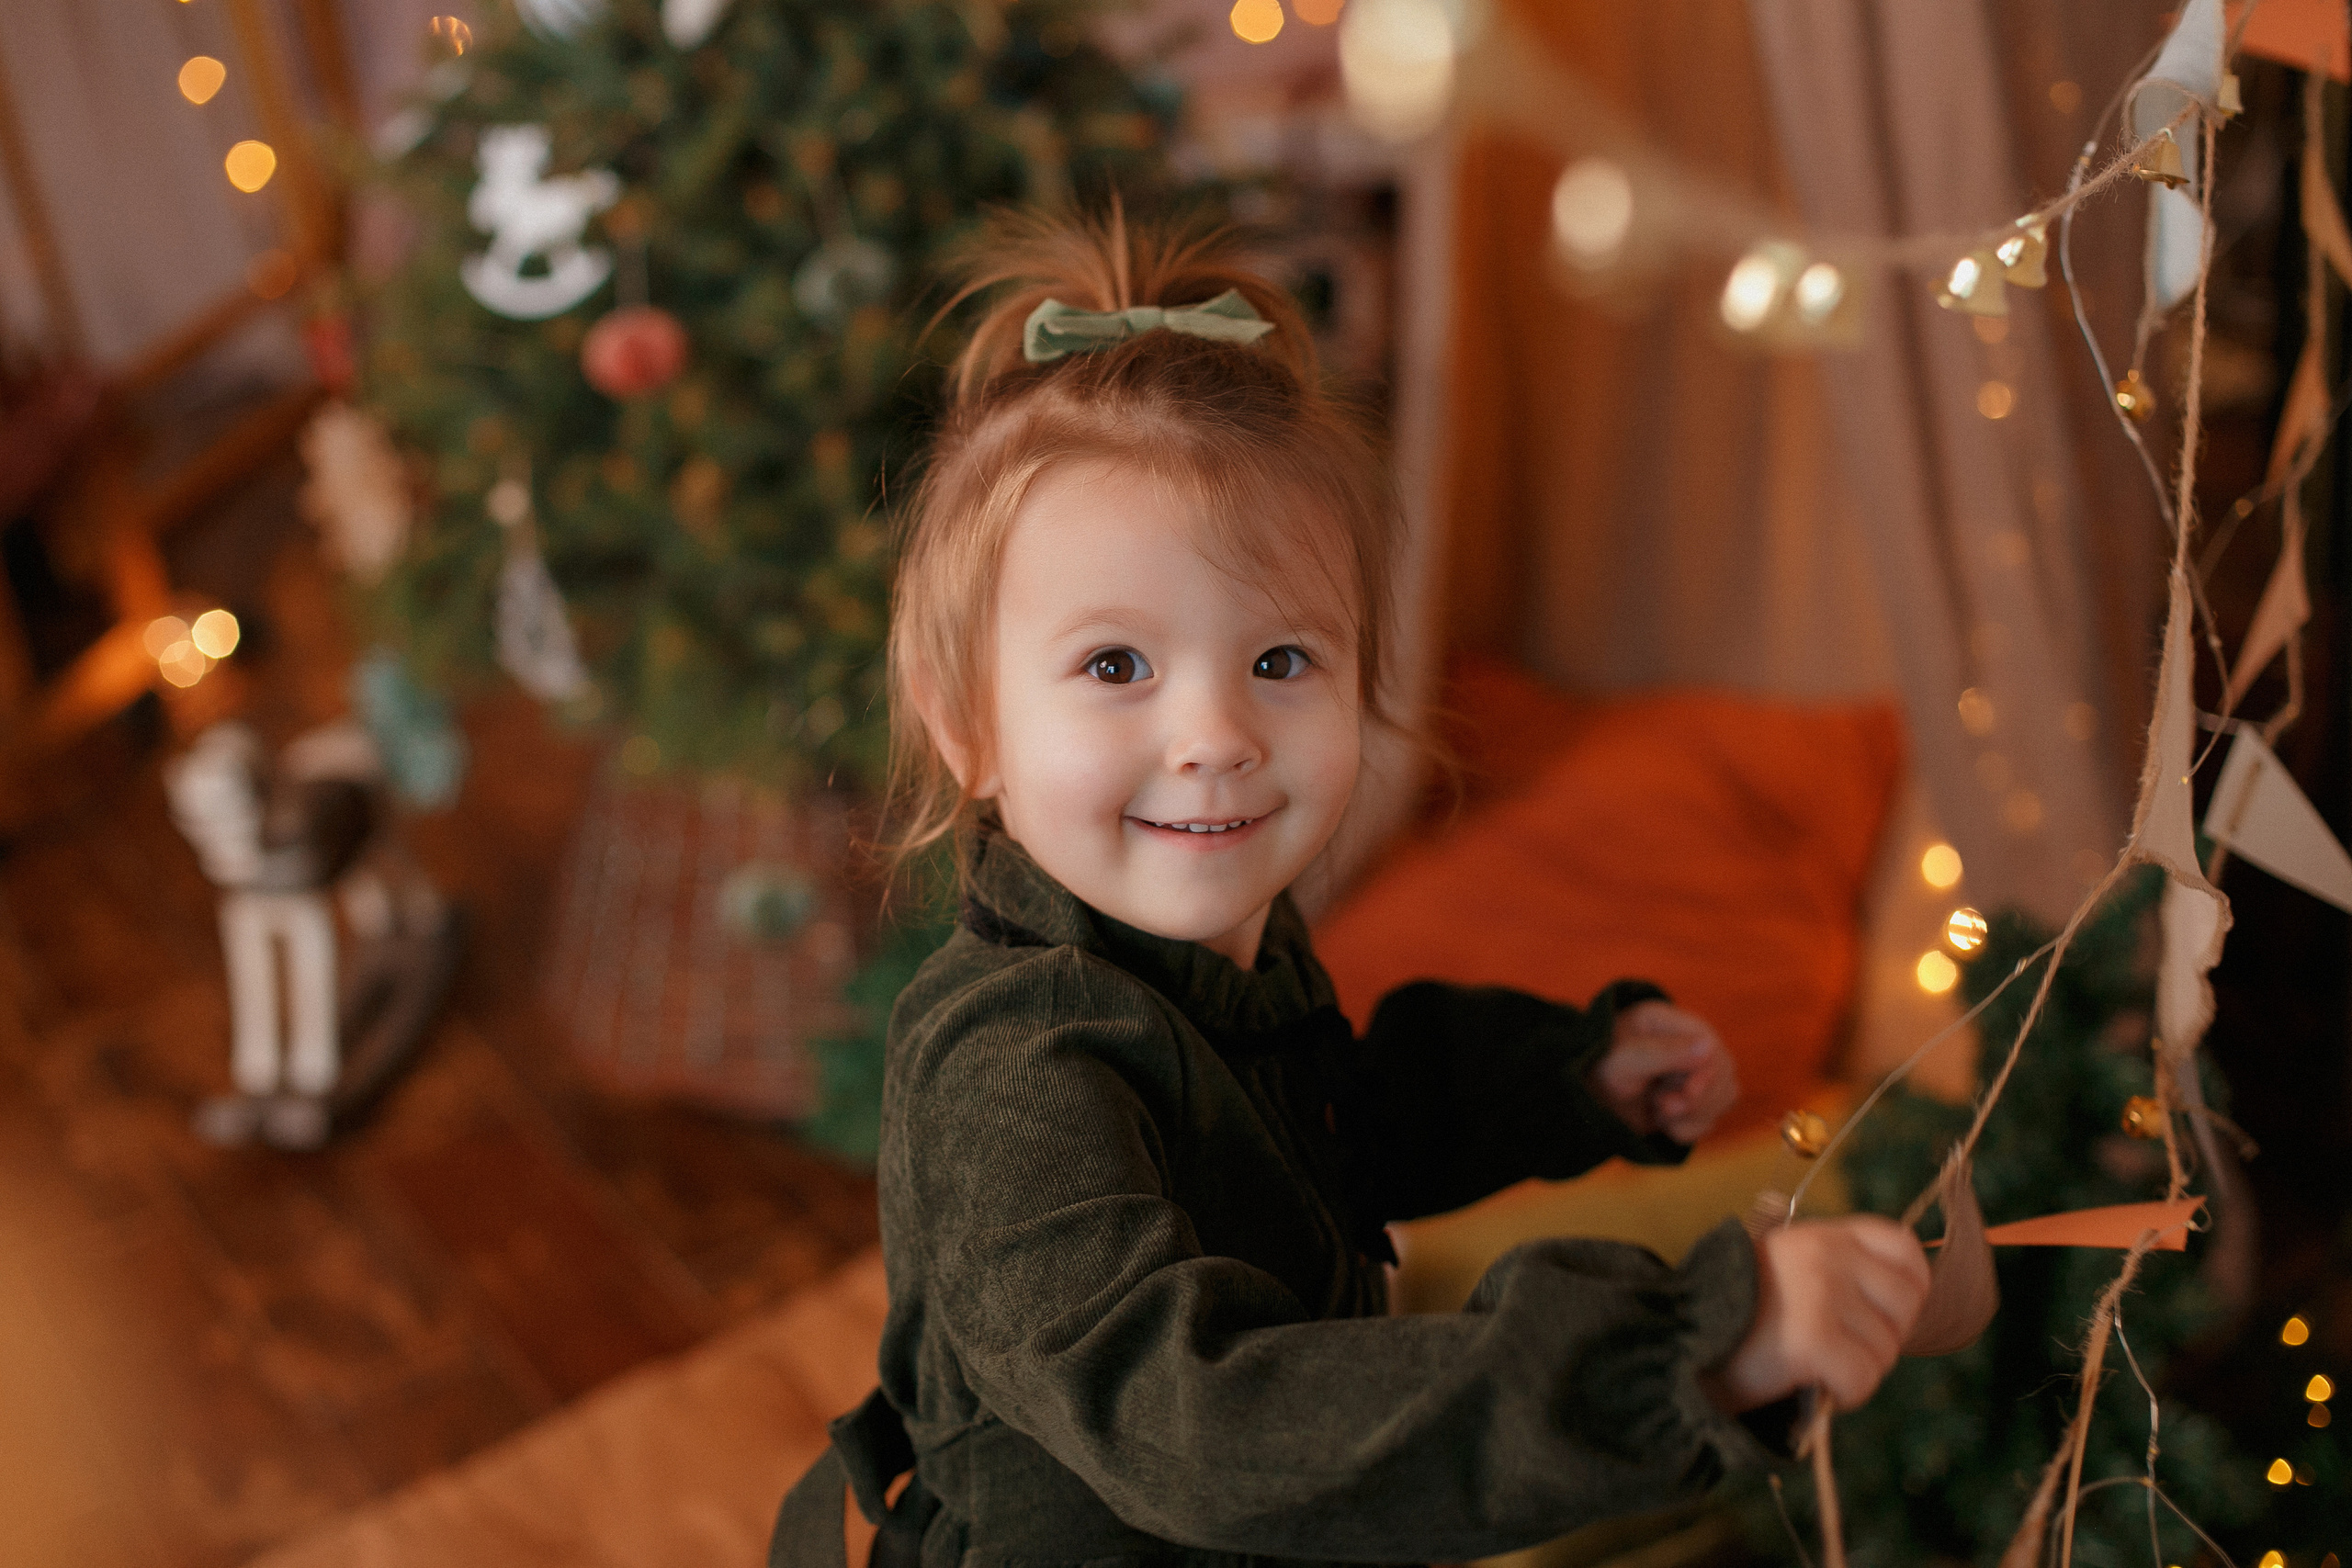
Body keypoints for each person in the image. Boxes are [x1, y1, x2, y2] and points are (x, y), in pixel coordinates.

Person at [773, 207, 1930, 1568]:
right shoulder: (1011, 1068)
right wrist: (1684, 1353)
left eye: (1280, 662)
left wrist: (1560, 1080)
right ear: (965, 723)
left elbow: (1327, 1129)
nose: (1216, 737)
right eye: (1115, 666)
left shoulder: (1213, 952)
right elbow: (1197, 1426)